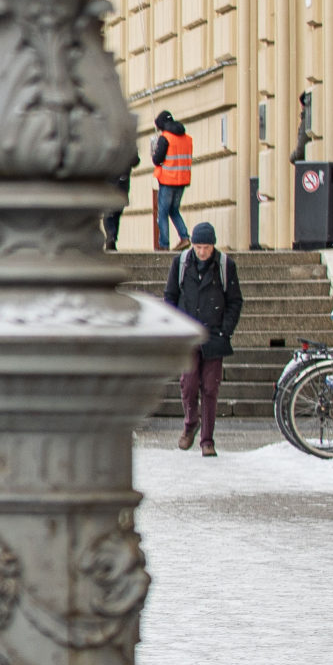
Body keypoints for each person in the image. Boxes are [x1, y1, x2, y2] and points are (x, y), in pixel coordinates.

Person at [164, 219, 241, 456]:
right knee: (188, 386)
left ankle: (207, 440)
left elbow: (235, 301)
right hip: (188, 335)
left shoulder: (225, 265)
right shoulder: (181, 264)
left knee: (210, 388)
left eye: (206, 247)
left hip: (215, 335)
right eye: (198, 247)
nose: (202, 251)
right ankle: (190, 424)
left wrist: (225, 330)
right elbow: (170, 297)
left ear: (213, 246)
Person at [150, 110, 192, 249]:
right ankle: (184, 237)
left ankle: (164, 244)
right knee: (174, 210)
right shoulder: (186, 138)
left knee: (162, 213)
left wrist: (155, 150)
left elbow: (157, 160)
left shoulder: (165, 138)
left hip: (168, 180)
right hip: (182, 180)